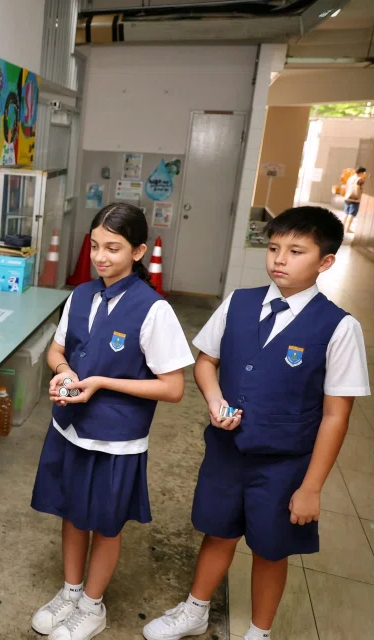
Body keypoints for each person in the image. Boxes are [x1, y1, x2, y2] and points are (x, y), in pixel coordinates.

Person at [143, 206, 369, 640]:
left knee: (271, 549)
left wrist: (311, 488)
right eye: (273, 248)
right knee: (218, 532)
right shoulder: (239, 303)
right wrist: (215, 400)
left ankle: (258, 633)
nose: (279, 259)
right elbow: (206, 361)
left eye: (296, 251)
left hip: (285, 465)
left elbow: (336, 415)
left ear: (325, 262)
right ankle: (195, 610)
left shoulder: (339, 328)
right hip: (227, 452)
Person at [31, 203, 194, 640]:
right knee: (70, 511)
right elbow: (56, 349)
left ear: (139, 251)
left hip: (116, 440)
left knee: (105, 522)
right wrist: (63, 371)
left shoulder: (153, 310)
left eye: (114, 248)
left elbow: (173, 387)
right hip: (70, 428)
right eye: (96, 245)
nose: (101, 257)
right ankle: (70, 590)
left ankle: (91, 605)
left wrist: (102, 381)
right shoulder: (81, 295)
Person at [343, 166, 365, 234]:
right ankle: (347, 229)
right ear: (361, 172)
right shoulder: (360, 180)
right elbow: (360, 190)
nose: (364, 174)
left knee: (346, 213)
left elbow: (346, 187)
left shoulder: (350, 178)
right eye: (363, 173)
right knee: (351, 214)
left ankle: (342, 227)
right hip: (355, 199)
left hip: (347, 197)